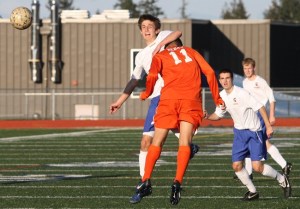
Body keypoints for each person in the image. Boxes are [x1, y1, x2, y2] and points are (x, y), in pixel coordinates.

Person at [129, 39, 224, 205]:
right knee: (185, 142)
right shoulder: (191, 52)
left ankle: (146, 180)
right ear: (180, 45)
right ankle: (177, 182)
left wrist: (147, 92)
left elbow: (151, 75)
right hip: (190, 100)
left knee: (157, 141)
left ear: (167, 47)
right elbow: (209, 72)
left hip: (169, 100)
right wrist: (217, 98)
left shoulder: (161, 55)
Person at [109, 14, 199, 179]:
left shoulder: (163, 38)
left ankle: (189, 147)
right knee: (145, 142)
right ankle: (144, 182)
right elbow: (134, 80)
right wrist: (119, 101)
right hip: (157, 98)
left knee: (174, 136)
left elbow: (178, 33)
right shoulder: (141, 56)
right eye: (143, 27)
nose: (147, 30)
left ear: (157, 29)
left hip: (174, 94)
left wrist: (161, 46)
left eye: (150, 26)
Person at [206, 68, 291, 200]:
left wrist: (268, 126)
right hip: (239, 134)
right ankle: (253, 191)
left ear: (232, 79)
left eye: (227, 78)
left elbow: (260, 107)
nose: (225, 81)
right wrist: (207, 116)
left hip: (254, 132)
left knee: (257, 167)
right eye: (222, 78)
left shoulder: (241, 93)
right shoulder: (221, 96)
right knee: (236, 165)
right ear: (219, 80)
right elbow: (218, 115)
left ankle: (281, 178)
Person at [242, 57, 292, 178]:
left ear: (254, 68)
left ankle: (284, 164)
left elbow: (271, 98)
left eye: (249, 68)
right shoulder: (244, 82)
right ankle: (250, 172)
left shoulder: (261, 81)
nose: (247, 71)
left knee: (262, 142)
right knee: (251, 141)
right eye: (245, 68)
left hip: (260, 115)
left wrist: (272, 116)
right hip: (250, 116)